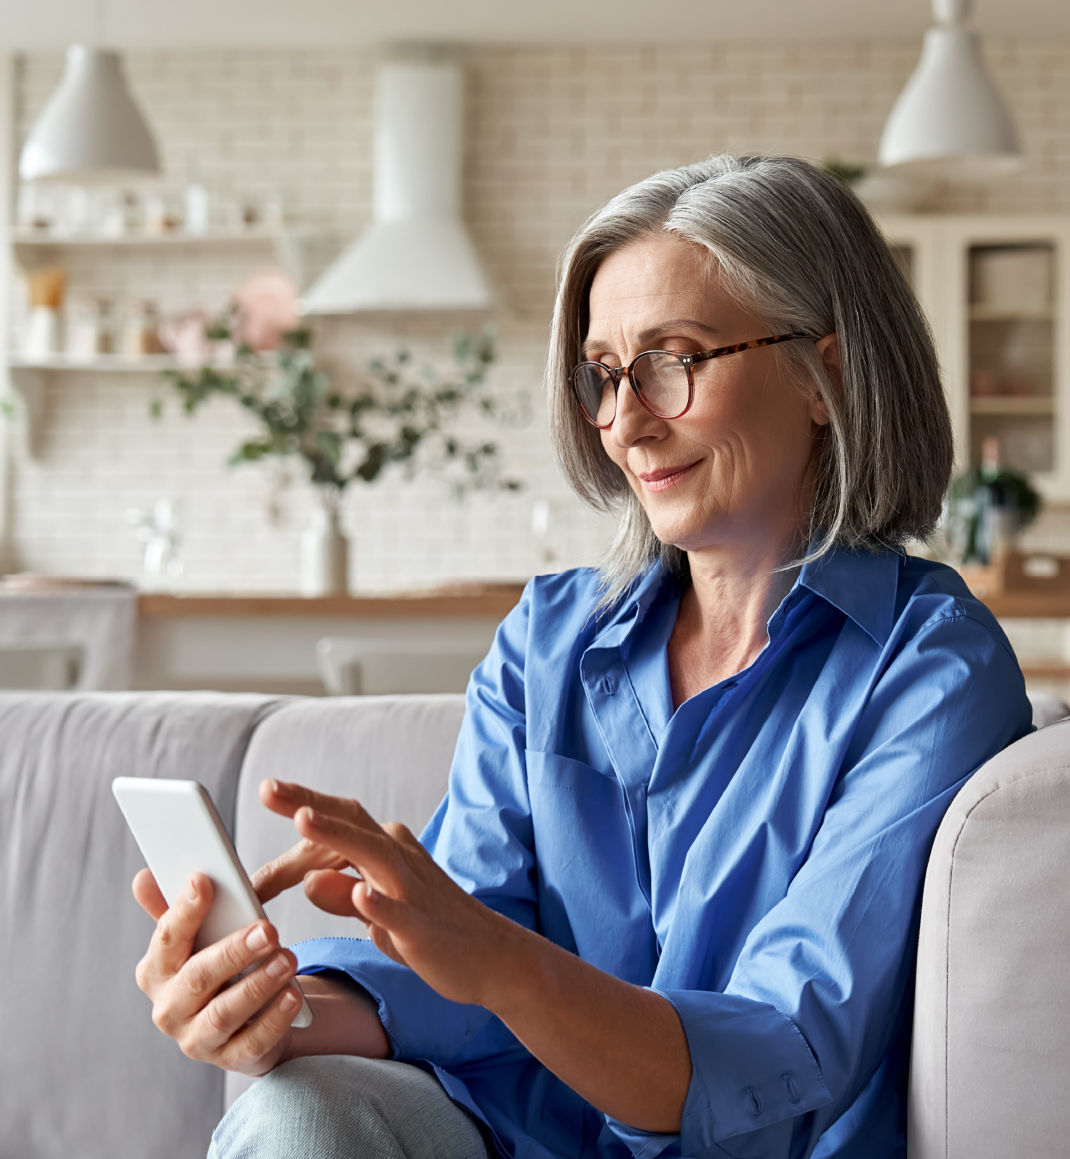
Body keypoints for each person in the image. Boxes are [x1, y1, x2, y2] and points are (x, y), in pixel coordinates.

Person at [132, 154, 1032, 1159]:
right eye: (603, 372)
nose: (624, 420)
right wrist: (275, 1005)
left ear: (824, 375)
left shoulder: (927, 669)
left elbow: (785, 1048)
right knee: (298, 1106)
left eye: (673, 358)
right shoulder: (547, 640)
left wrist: (494, 961)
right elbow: (464, 975)